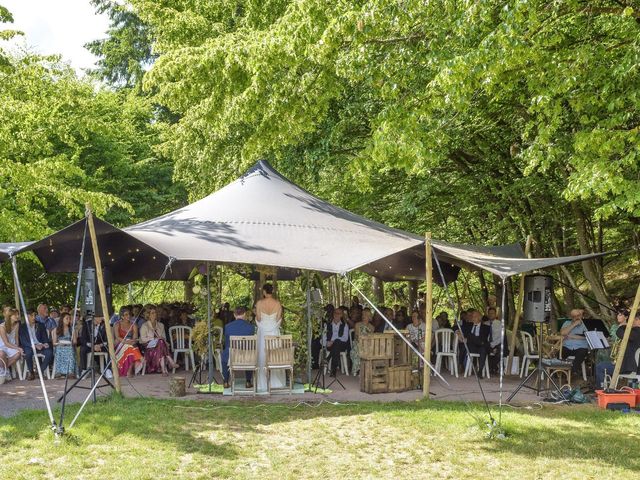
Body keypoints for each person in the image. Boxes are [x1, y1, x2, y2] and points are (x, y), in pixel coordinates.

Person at [255, 284, 286, 392]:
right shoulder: (277, 304)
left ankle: (263, 382)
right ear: (272, 291)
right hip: (273, 332)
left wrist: (261, 320)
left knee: (263, 355)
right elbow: (278, 319)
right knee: (274, 355)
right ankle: (276, 381)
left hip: (263, 332)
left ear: (264, 291)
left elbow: (258, 318)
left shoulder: (259, 303)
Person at [221, 306, 256, 389]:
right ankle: (248, 381)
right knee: (250, 352)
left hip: (232, 356)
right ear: (244, 314)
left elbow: (227, 342)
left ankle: (226, 381)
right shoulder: (251, 327)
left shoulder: (227, 327)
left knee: (225, 354)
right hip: (246, 357)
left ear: (234, 315)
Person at [139, 306, 177, 375]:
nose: (155, 314)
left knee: (161, 342)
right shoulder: (144, 325)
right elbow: (143, 339)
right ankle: (170, 361)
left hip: (160, 346)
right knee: (160, 342)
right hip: (149, 346)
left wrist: (160, 338)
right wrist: (154, 339)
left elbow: (164, 338)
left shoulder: (161, 325)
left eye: (155, 313)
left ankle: (163, 370)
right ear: (148, 315)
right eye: (152, 313)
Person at [19, 309, 53, 380]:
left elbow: (45, 339)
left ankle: (40, 371)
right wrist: (34, 346)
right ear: (26, 316)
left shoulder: (40, 325)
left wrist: (44, 344)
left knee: (49, 352)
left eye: (35, 315)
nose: (34, 317)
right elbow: (23, 341)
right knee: (28, 353)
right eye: (31, 315)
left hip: (40, 346)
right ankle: (31, 373)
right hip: (29, 346)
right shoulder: (22, 327)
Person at [113, 308, 144, 377]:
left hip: (131, 344)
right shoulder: (117, 324)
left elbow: (135, 338)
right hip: (120, 344)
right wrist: (125, 342)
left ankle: (128, 372)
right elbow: (117, 337)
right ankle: (140, 358)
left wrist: (131, 342)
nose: (128, 316)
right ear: (122, 316)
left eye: (129, 314)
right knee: (130, 347)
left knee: (130, 348)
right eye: (126, 315)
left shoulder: (134, 325)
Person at [560, 309, 589, 377]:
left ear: (581, 316)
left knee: (582, 352)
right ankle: (561, 371)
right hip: (567, 346)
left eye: (578, 315)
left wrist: (571, 336)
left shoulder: (585, 324)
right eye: (574, 316)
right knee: (559, 353)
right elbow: (563, 333)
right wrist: (573, 325)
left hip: (581, 347)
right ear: (571, 317)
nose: (576, 317)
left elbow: (588, 336)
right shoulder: (567, 323)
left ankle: (572, 371)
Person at [465, 310, 491, 377]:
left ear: (480, 318)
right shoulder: (468, 326)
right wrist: (457, 332)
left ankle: (480, 371)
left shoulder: (486, 327)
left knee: (483, 349)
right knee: (471, 336)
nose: (473, 318)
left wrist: (476, 340)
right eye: (472, 317)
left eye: (475, 316)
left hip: (480, 347)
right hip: (471, 347)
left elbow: (484, 338)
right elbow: (457, 327)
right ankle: (480, 343)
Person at [52, 312, 78, 378]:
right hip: (59, 346)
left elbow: (75, 341)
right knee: (59, 350)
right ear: (62, 319)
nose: (68, 320)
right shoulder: (56, 329)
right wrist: (59, 343)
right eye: (67, 318)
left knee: (70, 350)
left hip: (69, 346)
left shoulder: (72, 329)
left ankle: (70, 372)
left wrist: (69, 343)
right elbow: (54, 343)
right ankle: (59, 372)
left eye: (69, 319)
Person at [325, 306, 349, 377]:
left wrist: (334, 341)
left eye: (339, 313)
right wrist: (327, 343)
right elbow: (323, 337)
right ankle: (333, 370)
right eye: (335, 313)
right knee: (336, 345)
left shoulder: (344, 325)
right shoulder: (328, 325)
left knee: (337, 341)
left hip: (341, 345)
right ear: (333, 314)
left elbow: (345, 338)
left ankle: (328, 358)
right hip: (330, 345)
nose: (337, 314)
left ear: (341, 315)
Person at [0, 309, 23, 381]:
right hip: (3, 346)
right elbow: (6, 343)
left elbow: (16, 338)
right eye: (15, 314)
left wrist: (18, 347)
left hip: (12, 346)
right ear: (10, 316)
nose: (17, 316)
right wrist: (18, 348)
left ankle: (4, 369)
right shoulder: (2, 326)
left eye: (18, 314)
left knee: (18, 354)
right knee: (1, 354)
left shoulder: (17, 324)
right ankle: (5, 371)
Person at [350, 307, 374, 375]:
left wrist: (366, 343)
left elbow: (371, 338)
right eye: (363, 315)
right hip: (358, 343)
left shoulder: (372, 327)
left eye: (366, 315)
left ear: (369, 317)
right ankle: (358, 369)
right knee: (359, 348)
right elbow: (357, 337)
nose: (364, 317)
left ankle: (366, 369)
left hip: (367, 344)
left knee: (372, 349)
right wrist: (363, 343)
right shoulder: (357, 324)